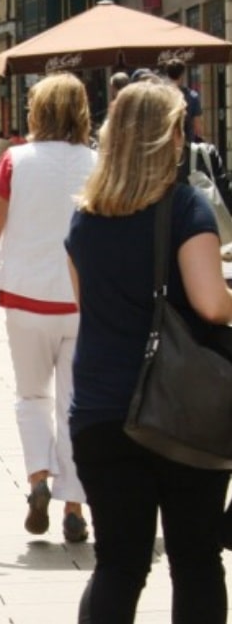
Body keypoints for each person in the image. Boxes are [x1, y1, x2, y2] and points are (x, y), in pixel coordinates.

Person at [65, 79, 232, 623]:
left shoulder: (85, 217)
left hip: (100, 410)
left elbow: (86, 303)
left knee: (118, 562)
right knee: (196, 560)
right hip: (182, 409)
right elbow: (211, 304)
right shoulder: (186, 208)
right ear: (173, 136)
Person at [0, 72, 96, 543]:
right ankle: (74, 505)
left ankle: (38, 477)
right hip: (83, 300)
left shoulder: (14, 160)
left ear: (36, 111)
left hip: (25, 296)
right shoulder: (98, 163)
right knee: (75, 404)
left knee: (31, 396)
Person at [164, 58, 203, 142]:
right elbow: (198, 128)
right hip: (187, 145)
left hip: (165, 146)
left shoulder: (160, 95)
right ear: (182, 75)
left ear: (167, 74)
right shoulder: (192, 97)